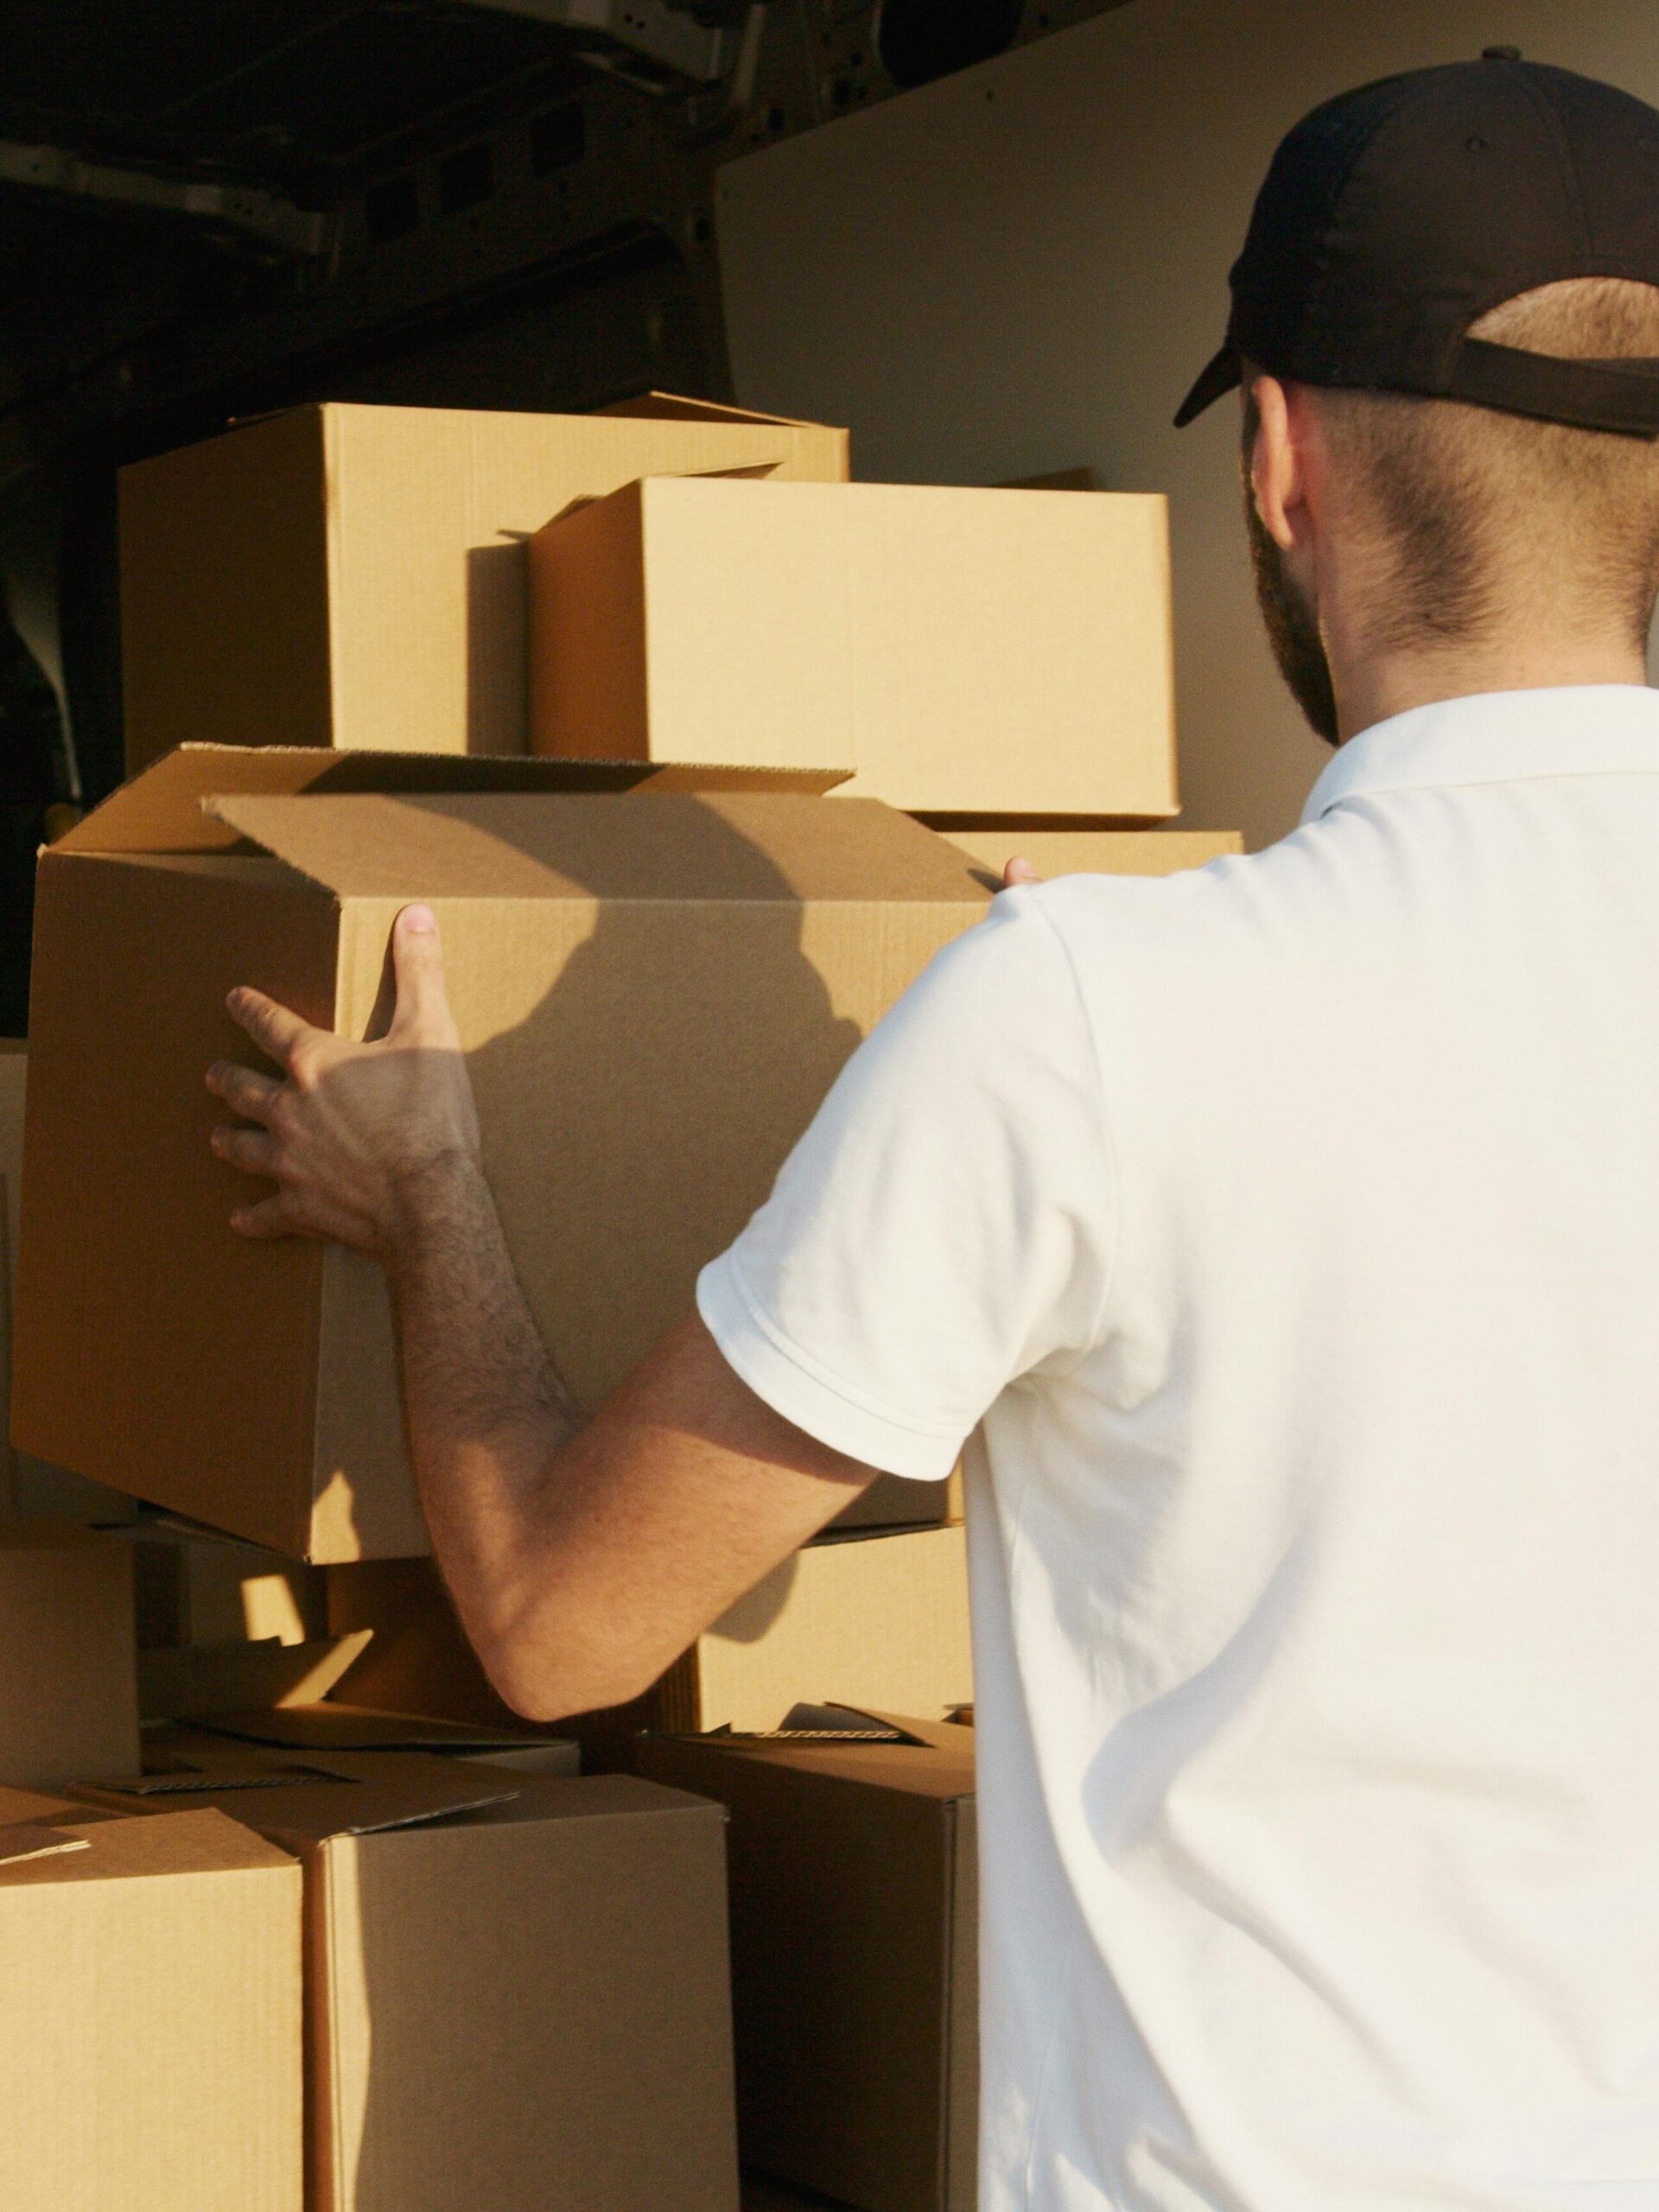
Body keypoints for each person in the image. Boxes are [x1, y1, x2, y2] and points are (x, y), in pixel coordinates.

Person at [207, 52, 1659, 2211]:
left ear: (1277, 459)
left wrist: (430, 1191)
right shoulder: (1124, 1014)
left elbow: (560, 1624)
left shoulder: (1101, 1019)